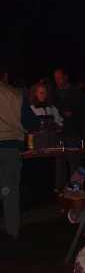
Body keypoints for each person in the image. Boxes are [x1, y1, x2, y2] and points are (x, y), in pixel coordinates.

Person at [0, 66, 38, 241]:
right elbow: (31, 123)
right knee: (10, 192)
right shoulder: (16, 94)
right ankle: (12, 231)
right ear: (5, 76)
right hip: (10, 150)